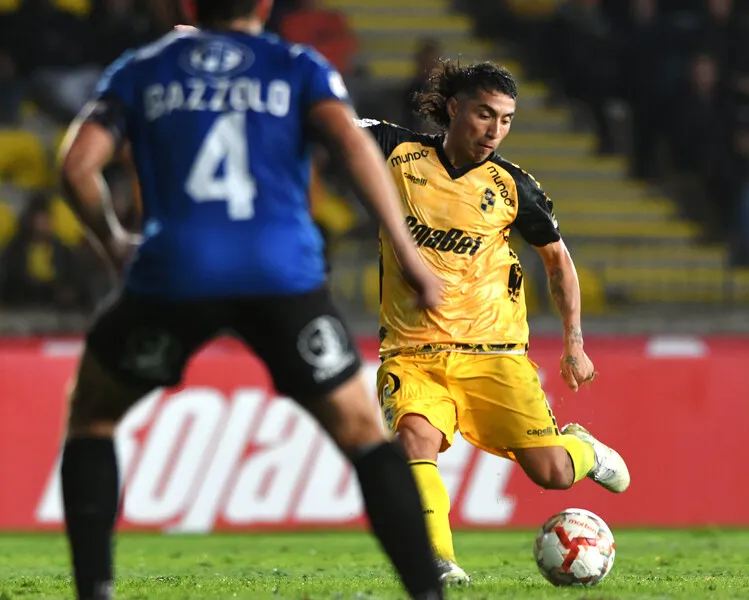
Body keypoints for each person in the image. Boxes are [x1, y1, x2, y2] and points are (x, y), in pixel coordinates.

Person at [56, 1, 445, 599]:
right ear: (264, 5)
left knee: (93, 415)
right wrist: (409, 253)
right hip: (280, 274)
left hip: (176, 272)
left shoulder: (142, 68)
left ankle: (95, 592)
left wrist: (115, 244)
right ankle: (427, 593)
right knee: (363, 433)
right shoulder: (298, 65)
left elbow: (77, 166)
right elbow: (352, 146)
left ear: (188, 5)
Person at [357, 60, 631, 585]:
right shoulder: (398, 152)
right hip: (413, 353)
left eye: (505, 120)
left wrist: (574, 343)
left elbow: (558, 263)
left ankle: (584, 450)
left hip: (494, 355)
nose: (494, 131)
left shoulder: (513, 187)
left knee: (551, 473)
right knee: (415, 440)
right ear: (455, 108)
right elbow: (332, 120)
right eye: (485, 115)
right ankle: (436, 561)